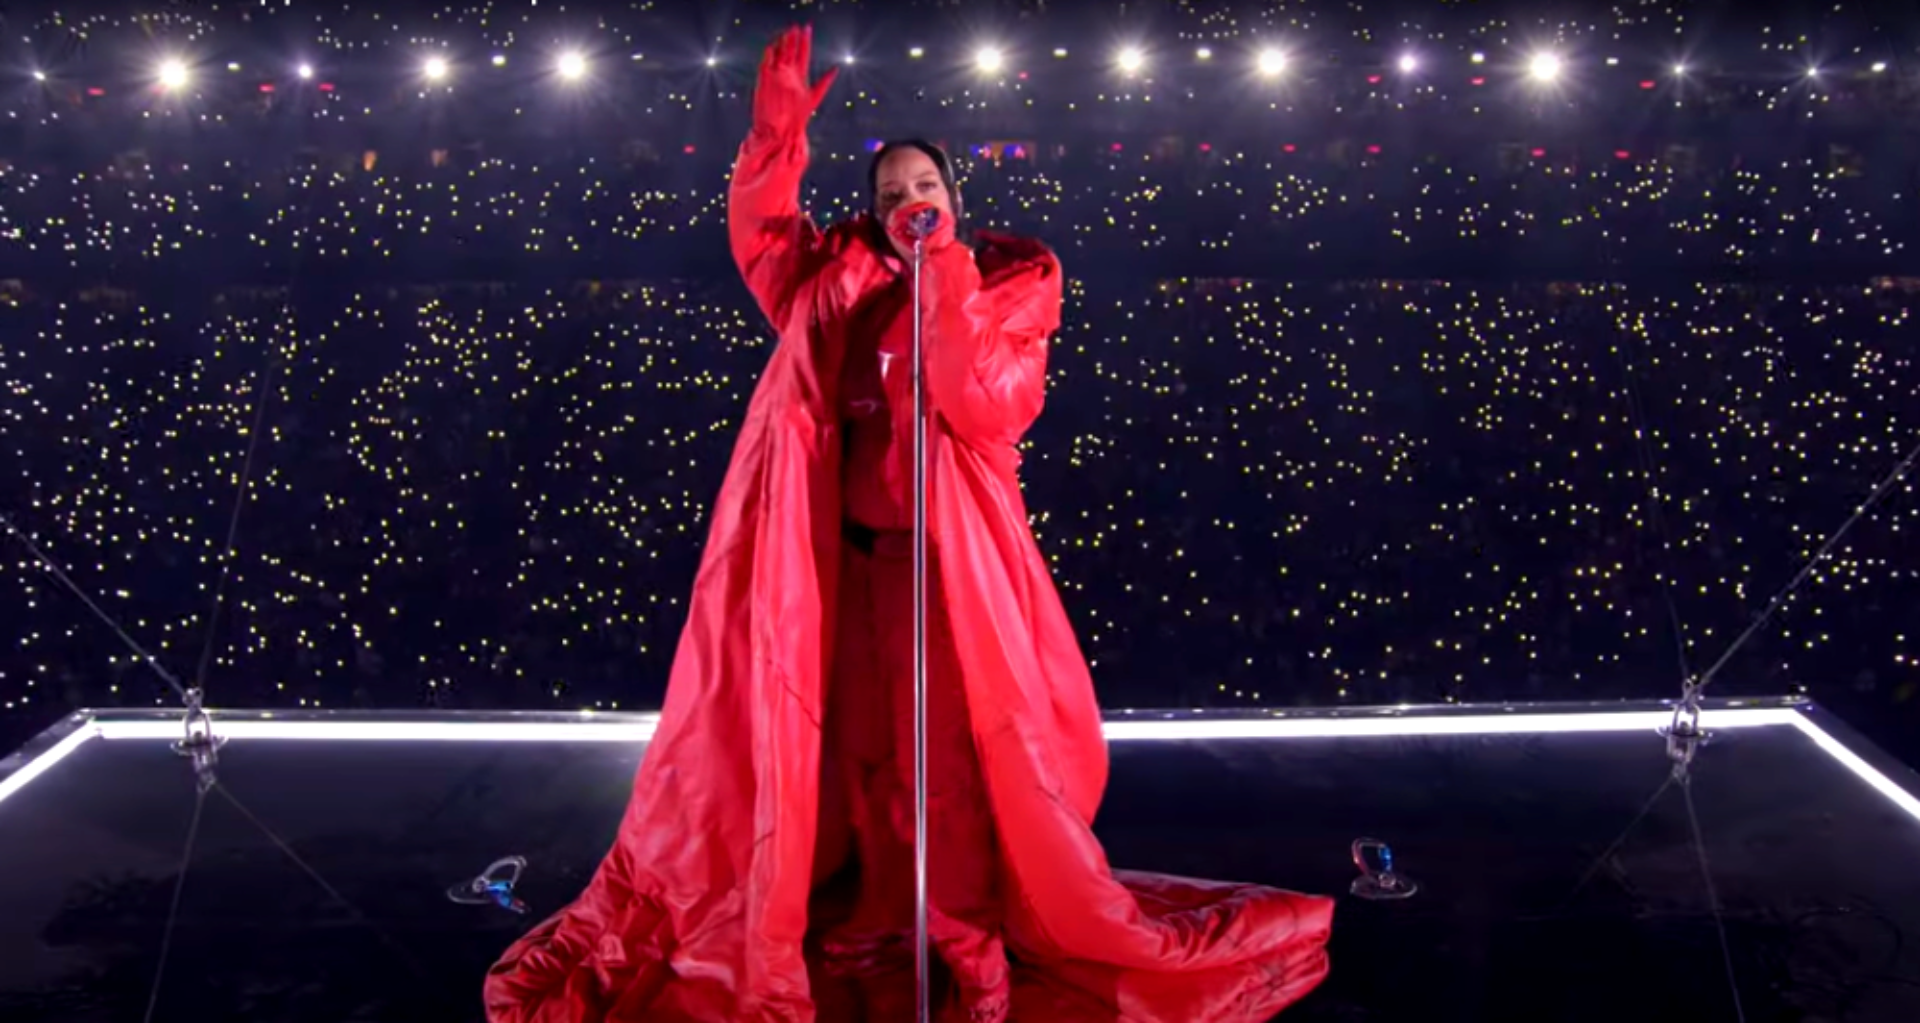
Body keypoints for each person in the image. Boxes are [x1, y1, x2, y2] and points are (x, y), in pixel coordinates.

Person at [484, 24, 1333, 1023]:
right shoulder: (828, 286)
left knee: (956, 769)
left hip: (945, 580)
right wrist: (773, 143)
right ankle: (859, 899)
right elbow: (761, 237)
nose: (906, 205)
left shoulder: (1010, 292)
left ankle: (962, 929)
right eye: (888, 195)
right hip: (840, 574)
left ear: (953, 201)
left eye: (922, 187)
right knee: (848, 759)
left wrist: (943, 288)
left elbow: (988, 407)